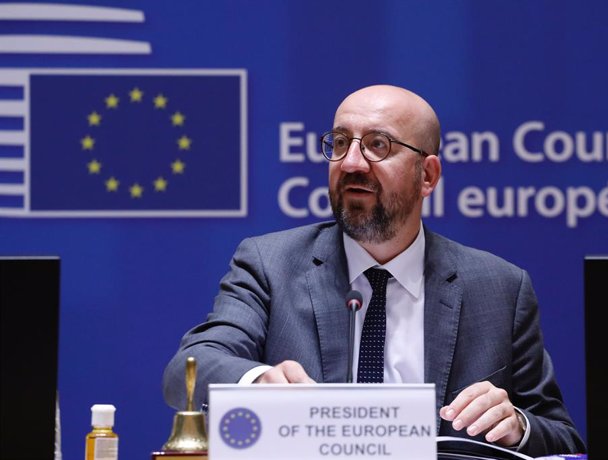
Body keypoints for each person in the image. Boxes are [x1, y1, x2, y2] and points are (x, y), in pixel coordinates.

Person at [163, 85, 585, 456]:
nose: (351, 164)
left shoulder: (498, 288)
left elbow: (563, 438)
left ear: (428, 174)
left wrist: (518, 426)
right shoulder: (270, 264)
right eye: (341, 142)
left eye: (378, 145)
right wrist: (258, 384)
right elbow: (190, 366)